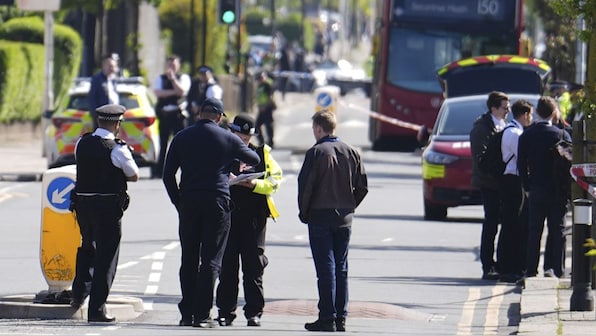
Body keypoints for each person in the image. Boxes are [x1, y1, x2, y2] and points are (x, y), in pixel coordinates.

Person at [162, 98, 260, 328]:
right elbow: (254, 159)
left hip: (189, 202)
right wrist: (233, 153)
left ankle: (187, 312)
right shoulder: (227, 138)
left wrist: (179, 202)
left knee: (188, 258)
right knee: (211, 261)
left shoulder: (182, 137)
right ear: (218, 117)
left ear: (199, 114)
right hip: (217, 202)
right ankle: (202, 314)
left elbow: (168, 175)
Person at [298, 110, 368, 332]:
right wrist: (350, 205)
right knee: (341, 267)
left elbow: (306, 187)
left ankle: (327, 316)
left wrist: (304, 212)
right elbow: (363, 186)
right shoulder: (352, 152)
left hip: (320, 215)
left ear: (319, 129)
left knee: (326, 268)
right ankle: (341, 317)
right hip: (344, 218)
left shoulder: (316, 152)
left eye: (314, 130)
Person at [69, 104, 139, 322]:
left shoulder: (82, 142)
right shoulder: (117, 148)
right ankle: (97, 309)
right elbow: (134, 174)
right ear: (117, 124)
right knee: (106, 257)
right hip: (107, 208)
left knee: (87, 246)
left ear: (99, 121)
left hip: (83, 206)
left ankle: (78, 294)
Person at [215, 113, 283, 328]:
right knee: (228, 266)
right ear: (232, 132)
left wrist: (254, 185)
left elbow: (275, 181)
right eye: (240, 135)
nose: (243, 140)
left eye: (247, 136)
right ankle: (225, 311)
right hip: (228, 215)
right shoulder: (222, 151)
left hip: (255, 217)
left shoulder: (262, 153)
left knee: (253, 266)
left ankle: (254, 312)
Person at [518, 96, 571, 279]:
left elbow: (521, 164)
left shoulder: (527, 135)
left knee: (534, 231)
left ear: (538, 112)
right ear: (554, 112)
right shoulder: (561, 135)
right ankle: (555, 268)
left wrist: (526, 186)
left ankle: (531, 269)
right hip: (558, 190)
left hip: (536, 188)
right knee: (558, 231)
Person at [469, 91, 510, 280]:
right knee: (491, 223)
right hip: (489, 182)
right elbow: (481, 158)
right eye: (504, 107)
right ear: (493, 108)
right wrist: (499, 170)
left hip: (501, 182)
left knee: (502, 223)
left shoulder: (503, 124)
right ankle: (487, 264)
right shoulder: (482, 127)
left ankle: (500, 263)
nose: (507, 110)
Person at [498, 99, 533, 283]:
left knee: (516, 223)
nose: (531, 118)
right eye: (530, 114)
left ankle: (512, 266)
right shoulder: (515, 133)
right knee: (512, 224)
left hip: (514, 180)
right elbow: (523, 158)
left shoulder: (514, 131)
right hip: (512, 180)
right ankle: (507, 267)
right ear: (525, 114)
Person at [152, 55, 192, 179]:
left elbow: (182, 92)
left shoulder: (183, 78)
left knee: (182, 144)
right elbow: (158, 93)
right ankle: (159, 171)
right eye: (169, 64)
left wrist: (173, 80)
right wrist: (173, 92)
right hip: (164, 115)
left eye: (174, 65)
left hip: (178, 115)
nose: (171, 67)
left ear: (178, 65)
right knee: (162, 143)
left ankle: (186, 170)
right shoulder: (160, 78)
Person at [88, 55, 120, 129]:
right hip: (102, 118)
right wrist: (96, 115)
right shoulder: (97, 79)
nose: (112, 69)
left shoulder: (113, 80)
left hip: (113, 117)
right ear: (104, 66)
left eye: (114, 66)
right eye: (110, 66)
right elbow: (92, 97)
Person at [255, 72, 276, 148]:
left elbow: (270, 97)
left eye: (262, 78)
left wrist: (265, 106)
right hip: (262, 108)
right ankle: (261, 142)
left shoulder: (267, 85)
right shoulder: (260, 86)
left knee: (268, 126)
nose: (260, 80)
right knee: (257, 126)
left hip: (267, 108)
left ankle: (270, 142)